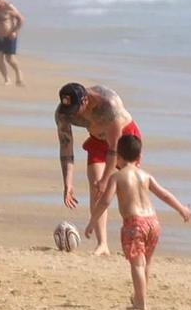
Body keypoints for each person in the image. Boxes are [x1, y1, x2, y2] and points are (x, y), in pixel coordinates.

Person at [95, 132, 191, 310]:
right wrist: (182, 209)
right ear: (139, 156)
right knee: (146, 262)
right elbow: (164, 194)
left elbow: (105, 201)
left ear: (118, 157)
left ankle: (140, 302)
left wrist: (93, 220)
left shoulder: (117, 177)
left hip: (135, 223)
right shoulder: (145, 175)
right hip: (153, 222)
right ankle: (140, 296)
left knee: (137, 264)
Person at [55, 82, 139, 255]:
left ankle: (135, 238)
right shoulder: (63, 113)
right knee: (96, 188)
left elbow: (114, 149)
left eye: (75, 110)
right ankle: (103, 244)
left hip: (124, 139)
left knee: (126, 190)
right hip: (98, 141)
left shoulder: (109, 104)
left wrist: (106, 180)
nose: (73, 115)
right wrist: (68, 183)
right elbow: (66, 147)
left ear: (85, 100)